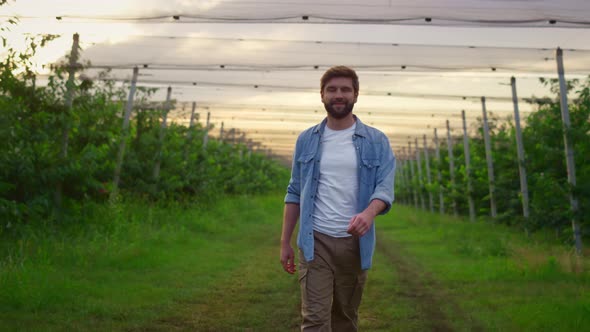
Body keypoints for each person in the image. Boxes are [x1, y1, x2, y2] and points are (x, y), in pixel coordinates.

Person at [280, 66, 396, 331]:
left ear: (356, 95)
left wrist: (369, 213)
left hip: (354, 243)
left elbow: (385, 188)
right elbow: (295, 191)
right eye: (332, 89)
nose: (338, 95)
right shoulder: (307, 139)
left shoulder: (376, 141)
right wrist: (285, 241)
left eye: (345, 89)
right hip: (315, 241)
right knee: (315, 319)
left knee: (345, 317)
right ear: (322, 95)